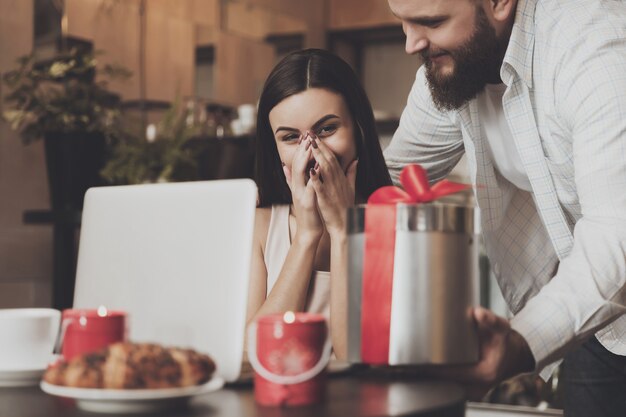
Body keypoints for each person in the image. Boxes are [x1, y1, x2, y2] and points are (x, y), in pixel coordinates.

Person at [383, 0, 626, 415]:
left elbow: (616, 232)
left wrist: (520, 342)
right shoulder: (458, 64)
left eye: (431, 22)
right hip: (603, 323)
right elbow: (391, 179)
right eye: (403, 22)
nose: (411, 43)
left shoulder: (592, 48)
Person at [247, 49, 392, 358]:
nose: (311, 151)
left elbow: (354, 357)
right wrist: (306, 236)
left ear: (359, 131)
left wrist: (342, 231)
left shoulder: (391, 221)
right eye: (290, 137)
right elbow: (252, 356)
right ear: (275, 150)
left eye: (327, 129)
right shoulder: (258, 227)